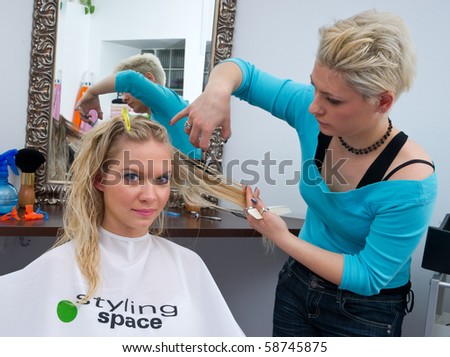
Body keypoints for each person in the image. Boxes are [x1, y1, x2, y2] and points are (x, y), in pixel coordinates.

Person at [171, 10, 438, 337]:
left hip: (365, 312)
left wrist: (281, 236)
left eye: (333, 100)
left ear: (382, 101)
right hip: (296, 287)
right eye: (315, 88)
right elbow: (243, 73)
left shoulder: (410, 181)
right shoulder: (313, 114)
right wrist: (216, 92)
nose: (314, 107)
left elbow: (368, 276)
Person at [0, 115, 245, 337]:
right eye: (131, 177)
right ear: (99, 179)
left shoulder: (188, 266)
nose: (150, 196)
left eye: (161, 179)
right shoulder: (58, 266)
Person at [76, 53, 202, 160]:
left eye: (127, 91)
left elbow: (129, 79)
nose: (124, 98)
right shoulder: (155, 116)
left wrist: (91, 92)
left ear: (149, 79)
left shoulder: (167, 103)